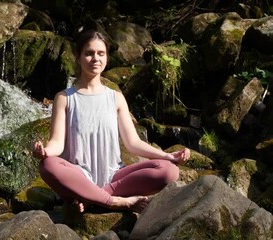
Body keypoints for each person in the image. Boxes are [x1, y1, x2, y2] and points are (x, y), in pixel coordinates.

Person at [32, 30, 190, 213]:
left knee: (169, 170)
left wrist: (167, 156)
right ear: (78, 57)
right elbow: (57, 143)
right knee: (48, 165)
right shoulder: (65, 98)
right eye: (89, 53)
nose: (95, 58)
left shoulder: (115, 97)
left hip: (114, 176)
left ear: (107, 58)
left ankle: (90, 198)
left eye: (101, 53)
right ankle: (116, 202)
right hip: (78, 175)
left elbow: (133, 143)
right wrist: (45, 152)